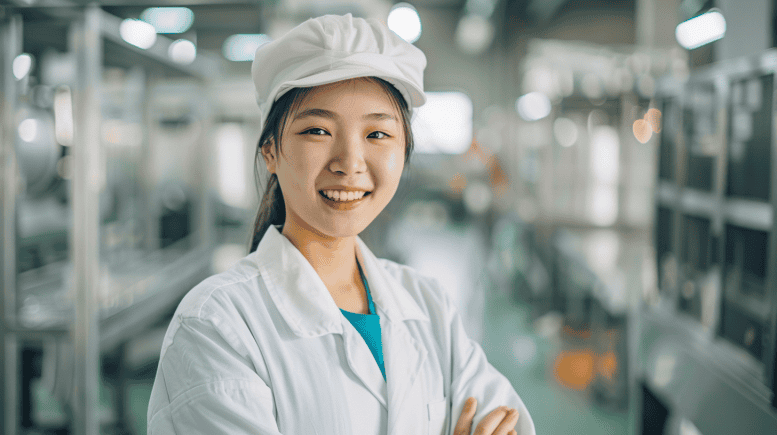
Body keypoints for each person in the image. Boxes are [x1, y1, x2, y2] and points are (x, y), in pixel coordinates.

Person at [147, 13, 535, 435]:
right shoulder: (217, 327)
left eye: (377, 134)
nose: (349, 162)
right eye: (317, 130)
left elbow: (508, 423)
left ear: (404, 151)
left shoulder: (427, 306)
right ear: (270, 151)